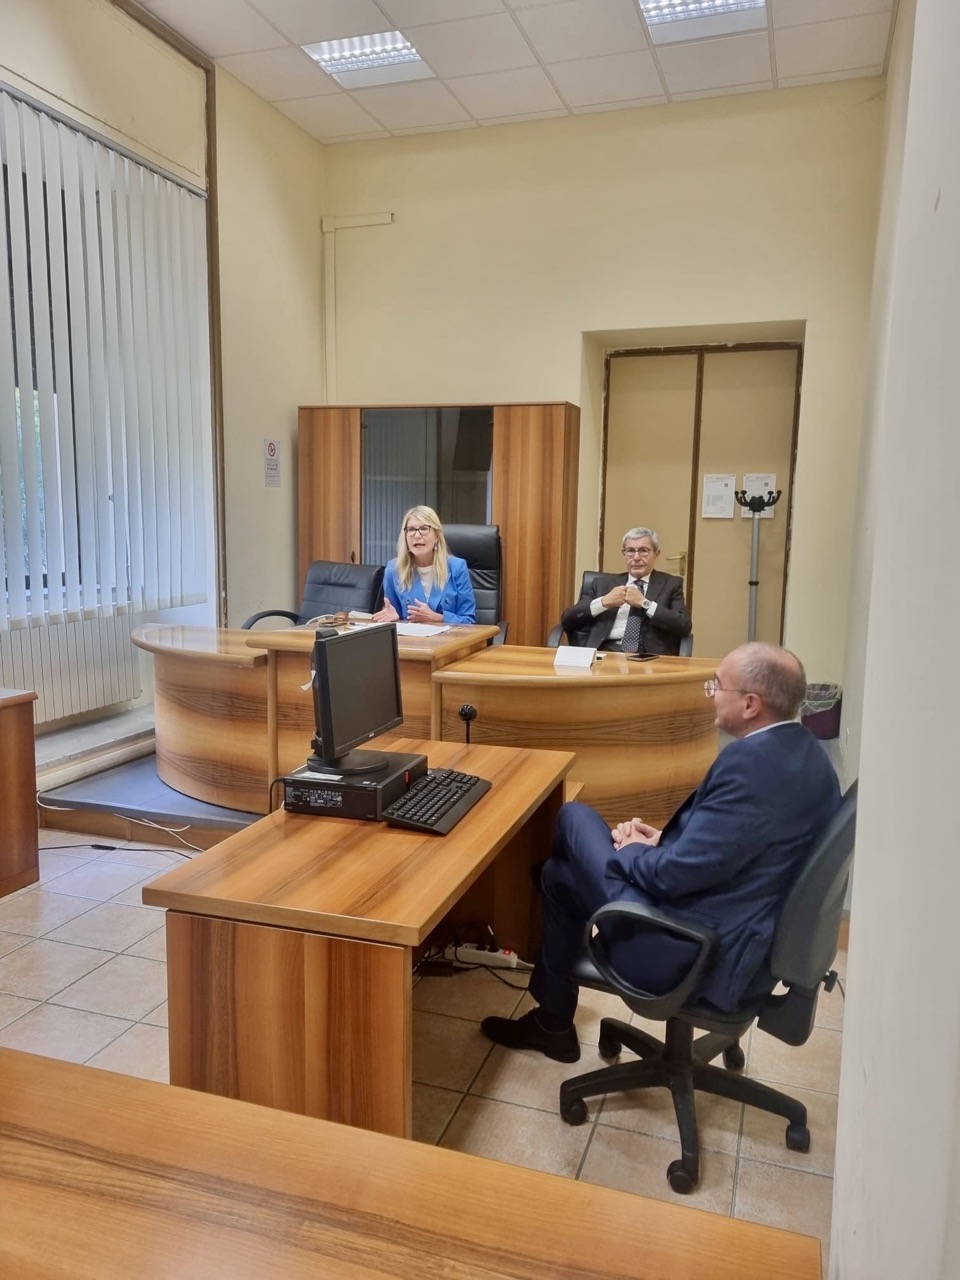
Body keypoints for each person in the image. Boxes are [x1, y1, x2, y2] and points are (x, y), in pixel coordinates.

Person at [481, 642, 840, 1064]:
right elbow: (740, 847)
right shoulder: (807, 755)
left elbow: (673, 877)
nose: (710, 694)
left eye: (716, 686)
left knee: (572, 818)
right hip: (736, 928)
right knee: (558, 877)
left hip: (689, 948)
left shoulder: (750, 765)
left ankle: (550, 1011)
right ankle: (552, 1020)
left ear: (750, 704)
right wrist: (661, 842)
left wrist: (635, 851)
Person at [560, 526, 691, 655]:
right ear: (624, 555)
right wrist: (604, 602)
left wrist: (644, 604)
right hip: (605, 652)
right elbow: (568, 620)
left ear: (656, 554)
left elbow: (683, 626)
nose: (636, 557)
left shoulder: (671, 584)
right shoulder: (602, 584)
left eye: (644, 551)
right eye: (630, 551)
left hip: (649, 656)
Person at [373, 505, 476, 625]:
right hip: (411, 636)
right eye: (411, 530)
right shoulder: (394, 569)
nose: (417, 535)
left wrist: (438, 618)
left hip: (451, 636)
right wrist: (394, 618)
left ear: (436, 536)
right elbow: (394, 615)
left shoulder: (457, 567)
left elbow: (469, 621)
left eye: (424, 528)